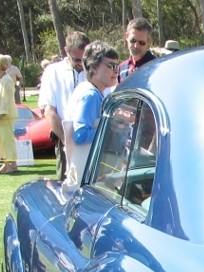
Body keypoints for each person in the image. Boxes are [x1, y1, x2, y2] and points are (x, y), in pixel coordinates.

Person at [64, 41, 120, 189]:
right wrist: (111, 126)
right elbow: (80, 135)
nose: (116, 71)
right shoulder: (90, 95)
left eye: (117, 66)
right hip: (86, 176)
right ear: (93, 67)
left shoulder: (88, 90)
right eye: (110, 66)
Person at [37, 30, 90, 181]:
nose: (81, 64)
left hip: (90, 136)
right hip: (63, 136)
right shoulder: (53, 71)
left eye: (84, 59)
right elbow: (49, 111)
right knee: (65, 183)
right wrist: (67, 142)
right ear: (66, 51)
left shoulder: (94, 69)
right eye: (76, 59)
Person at [119, 18, 157, 82]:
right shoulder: (121, 68)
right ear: (126, 36)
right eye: (133, 40)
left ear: (149, 41)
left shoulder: (154, 66)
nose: (136, 46)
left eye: (141, 42)